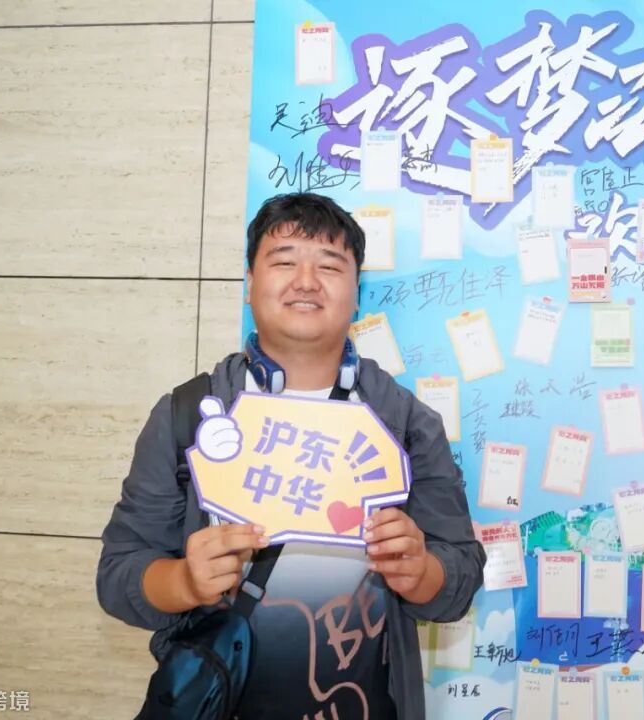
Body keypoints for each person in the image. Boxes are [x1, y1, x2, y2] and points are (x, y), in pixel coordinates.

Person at [97, 192, 485, 720]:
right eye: (283, 262)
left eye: (330, 266)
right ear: (249, 284)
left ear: (357, 294)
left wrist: (422, 573)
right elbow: (118, 573)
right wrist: (183, 581)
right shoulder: (189, 415)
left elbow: (459, 577)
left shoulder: (406, 424)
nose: (306, 281)